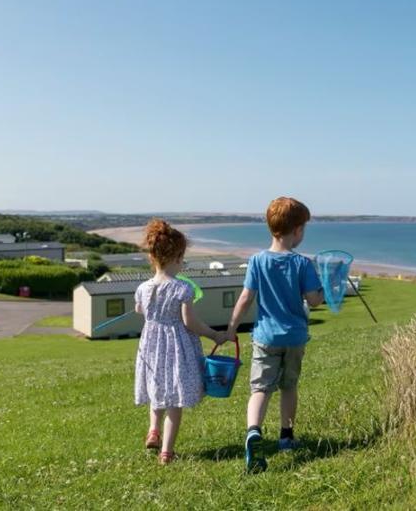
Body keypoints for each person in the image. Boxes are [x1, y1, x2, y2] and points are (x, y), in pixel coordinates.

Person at [225, 197, 324, 473]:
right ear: (297, 231)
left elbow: (245, 297)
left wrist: (232, 328)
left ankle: (253, 433)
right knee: (289, 387)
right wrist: (324, 290)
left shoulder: (257, 261)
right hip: (294, 337)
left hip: (265, 338)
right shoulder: (302, 264)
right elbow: (314, 300)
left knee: (260, 388)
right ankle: (286, 437)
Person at [134, 219, 227, 465]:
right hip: (176, 346)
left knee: (157, 389)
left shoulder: (143, 287)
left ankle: (153, 429)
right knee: (174, 398)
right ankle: (166, 452)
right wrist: (214, 334)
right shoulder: (182, 288)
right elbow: (189, 322)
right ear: (176, 257)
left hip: (152, 345)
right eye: (182, 258)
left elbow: (139, 310)